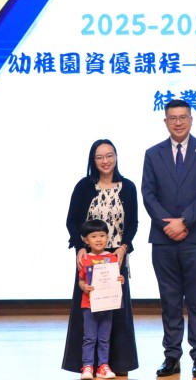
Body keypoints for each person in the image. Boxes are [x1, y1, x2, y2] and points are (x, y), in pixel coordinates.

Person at [141, 99, 196, 378]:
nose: (178, 122)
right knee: (170, 300)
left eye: (183, 117)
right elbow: (148, 194)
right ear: (165, 121)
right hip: (164, 240)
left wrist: (184, 221)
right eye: (172, 118)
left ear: (191, 120)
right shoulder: (153, 154)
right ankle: (171, 356)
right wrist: (169, 225)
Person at [63, 139, 139, 376]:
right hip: (89, 259)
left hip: (115, 257)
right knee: (88, 311)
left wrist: (123, 248)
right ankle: (86, 364)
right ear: (93, 160)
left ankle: (116, 364)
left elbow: (133, 223)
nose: (105, 161)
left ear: (116, 157)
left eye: (109, 155)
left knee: (116, 312)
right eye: (99, 157)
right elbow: (71, 221)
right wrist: (80, 248)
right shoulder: (84, 186)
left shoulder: (128, 187)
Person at [78, 219, 125, 380]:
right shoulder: (85, 259)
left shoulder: (112, 258)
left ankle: (103, 366)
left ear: (108, 237)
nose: (99, 239)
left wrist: (120, 280)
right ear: (86, 240)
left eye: (102, 235)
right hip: (89, 305)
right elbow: (81, 281)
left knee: (104, 338)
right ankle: (87, 366)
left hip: (107, 305)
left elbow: (116, 279)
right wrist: (84, 287)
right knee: (90, 338)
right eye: (94, 236)